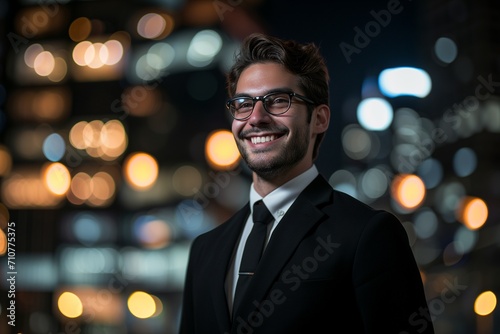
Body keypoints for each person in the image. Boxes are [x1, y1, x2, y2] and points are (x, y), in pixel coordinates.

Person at [179, 33, 435, 334]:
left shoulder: (368, 235)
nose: (256, 117)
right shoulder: (204, 250)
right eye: (243, 103)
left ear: (319, 119)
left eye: (277, 100)